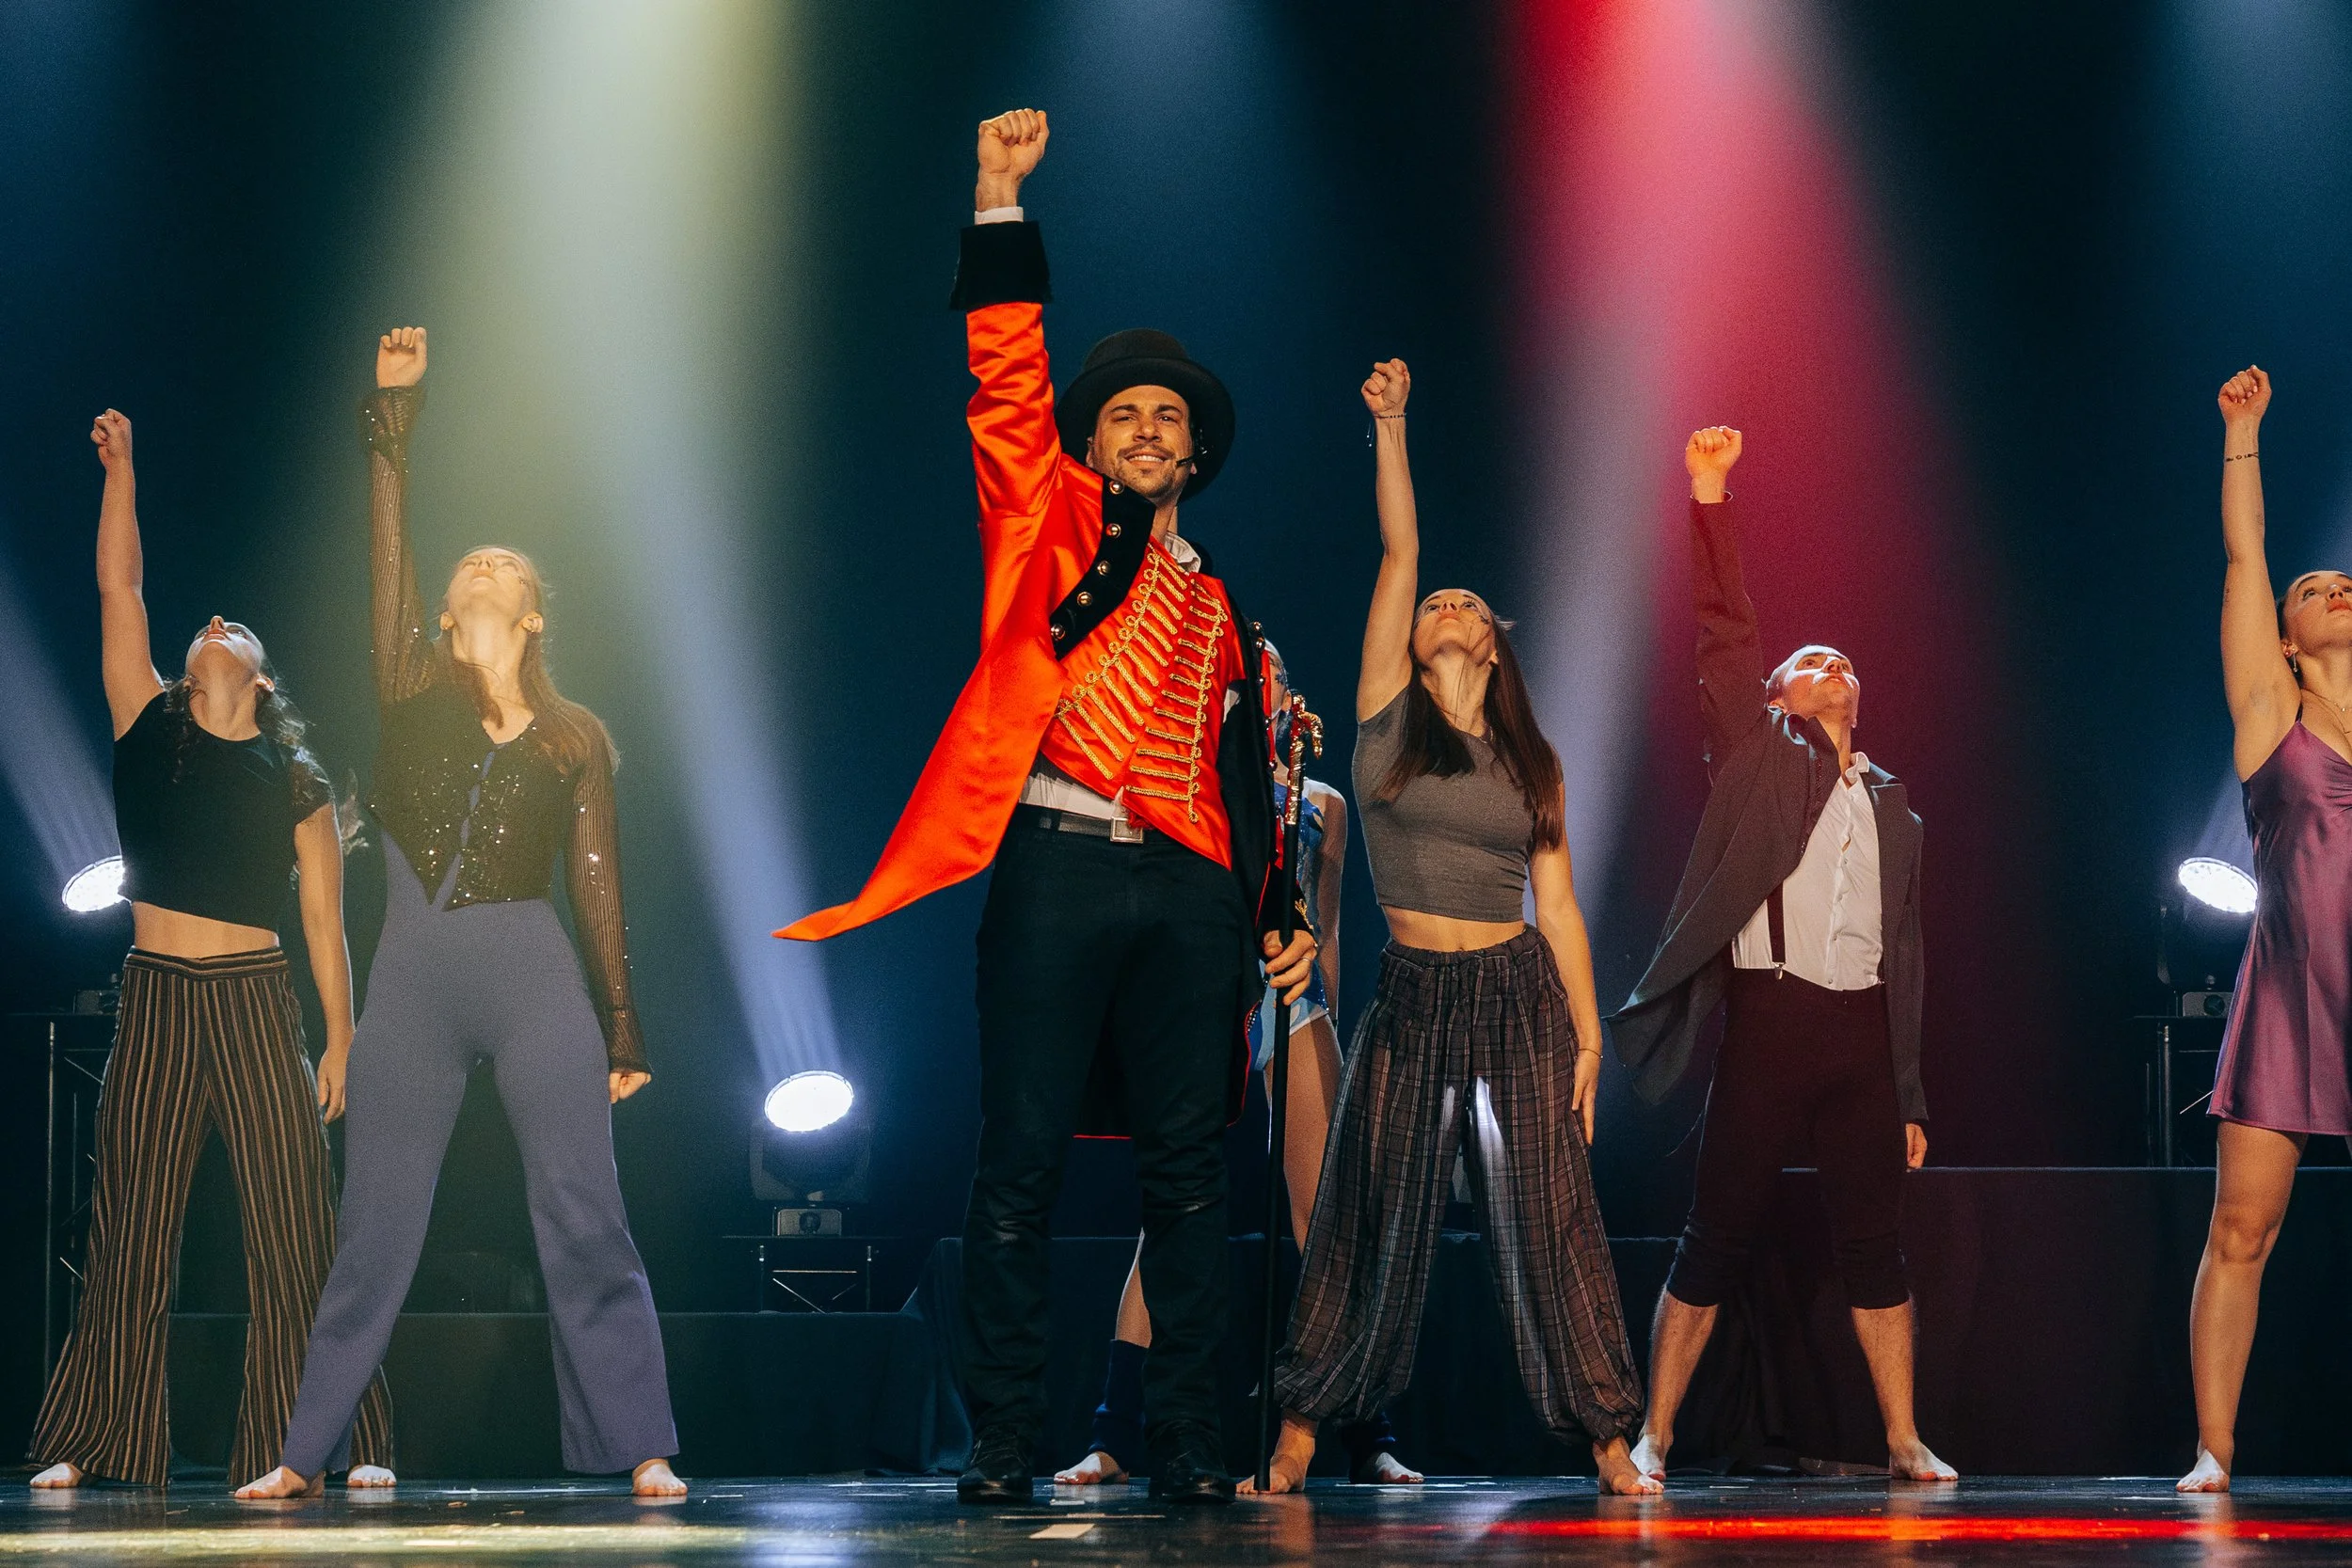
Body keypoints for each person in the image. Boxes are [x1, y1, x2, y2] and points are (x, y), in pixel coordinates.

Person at [778, 109, 1313, 1508]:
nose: (1147, 427)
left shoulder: (1222, 605)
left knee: (1192, 1177)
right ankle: (1005, 1438)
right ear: (1095, 441)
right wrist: (999, 203)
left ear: (1193, 458)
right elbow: (1006, 380)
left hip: (1194, 892)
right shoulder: (1049, 518)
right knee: (1016, 1160)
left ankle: (1188, 1437)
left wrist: (1282, 911)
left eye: (1169, 419)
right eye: (1126, 412)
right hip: (1061, 859)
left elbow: (1250, 782)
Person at [236, 328, 682, 1500]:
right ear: (445, 611)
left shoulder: (573, 732)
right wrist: (395, 423)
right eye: (467, 566)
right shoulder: (410, 687)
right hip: (417, 977)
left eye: (504, 566)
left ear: (534, 613)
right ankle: (298, 1452)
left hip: (535, 974)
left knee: (584, 1212)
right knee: (376, 1224)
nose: (481, 569)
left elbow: (598, 878)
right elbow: (387, 557)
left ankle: (641, 1443)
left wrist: (622, 1024)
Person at [1250, 359, 1651, 1497]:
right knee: (1369, 1203)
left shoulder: (1533, 761)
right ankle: (1298, 1431)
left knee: (1550, 1209)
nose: (1445, 606)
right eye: (1437, 603)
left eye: (1466, 603)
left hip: (1519, 986)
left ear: (1493, 639)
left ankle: (1608, 1437)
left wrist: (1586, 1038)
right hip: (1417, 987)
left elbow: (1560, 909)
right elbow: (1399, 552)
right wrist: (1391, 426)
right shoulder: (1386, 725)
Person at [29, 409, 394, 1493]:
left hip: (253, 996)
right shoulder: (145, 719)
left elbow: (326, 924)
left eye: (237, 626)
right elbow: (119, 589)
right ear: (189, 670)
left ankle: (331, 1437)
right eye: (209, 622)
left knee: (293, 1227)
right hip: (155, 992)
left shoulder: (296, 782)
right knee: (132, 1222)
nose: (220, 618)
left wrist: (340, 1039)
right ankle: (97, 1435)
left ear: (263, 681)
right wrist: (124, 471)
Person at [1612, 425, 1952, 1485]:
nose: (1829, 664)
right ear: (1775, 696)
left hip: (1857, 1036)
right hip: (1770, 1020)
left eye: (1841, 659)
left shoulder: (1894, 801)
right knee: (1713, 1235)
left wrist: (1908, 1092)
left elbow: (1905, 952)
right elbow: (1724, 631)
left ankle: (1901, 1437)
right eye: (1807, 661)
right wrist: (1709, 494)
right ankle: (1655, 1432)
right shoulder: (1757, 755)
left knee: (1874, 1250)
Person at [1055, 645, 1421, 1490]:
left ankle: (1370, 1433)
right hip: (1200, 999)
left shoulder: (1320, 799)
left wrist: (1326, 1016)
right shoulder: (1188, 780)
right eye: (1248, 680)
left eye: (1278, 676)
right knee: (1171, 1214)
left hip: (1292, 1000)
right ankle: (1114, 1434)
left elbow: (1326, 929)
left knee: (1323, 1219)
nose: (1268, 689)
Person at [2182, 366, 2345, 1494]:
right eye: (2313, 585)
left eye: (2343, 579)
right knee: (2241, 1229)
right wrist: (2242, 434)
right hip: (2295, 990)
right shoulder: (2269, 717)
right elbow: (2246, 558)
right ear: (2284, 636)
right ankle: (2213, 1450)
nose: (2331, 585)